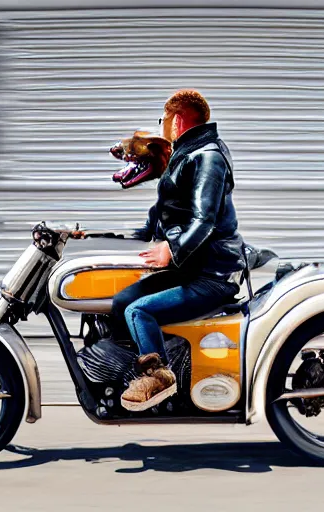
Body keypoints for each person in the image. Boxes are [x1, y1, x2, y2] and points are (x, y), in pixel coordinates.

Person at [113, 89, 246, 411]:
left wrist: (171, 251)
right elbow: (157, 223)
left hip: (209, 274)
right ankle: (131, 368)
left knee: (138, 310)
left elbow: (205, 220)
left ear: (179, 118)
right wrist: (88, 237)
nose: (163, 126)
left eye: (164, 119)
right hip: (189, 267)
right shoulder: (186, 157)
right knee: (121, 301)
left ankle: (159, 377)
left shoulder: (207, 157)